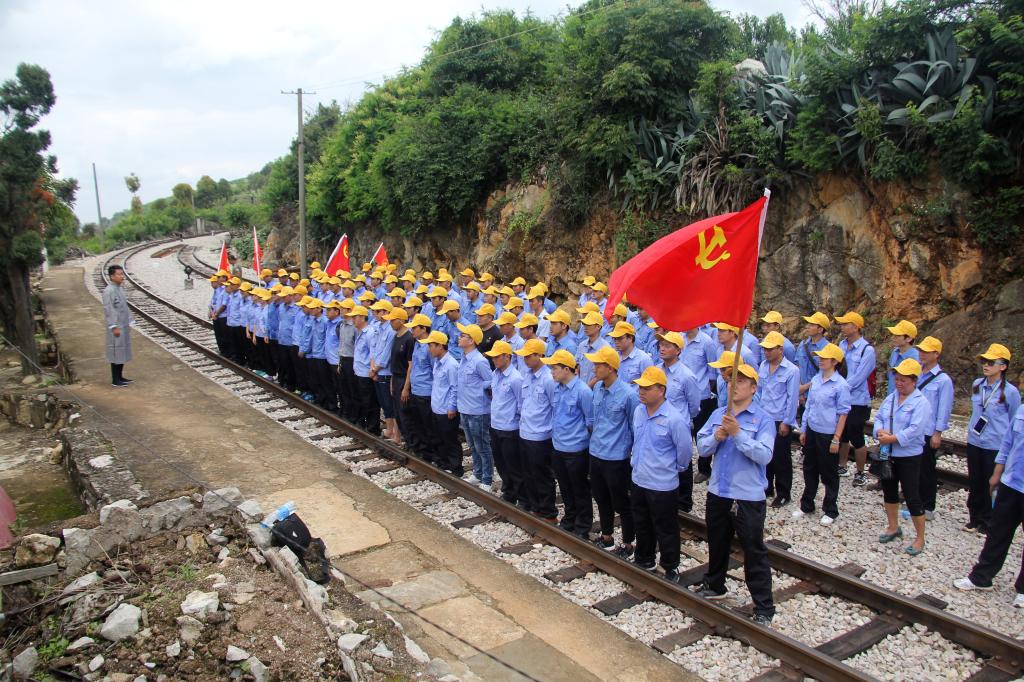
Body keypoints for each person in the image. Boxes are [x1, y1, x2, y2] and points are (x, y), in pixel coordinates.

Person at [695, 363, 776, 626]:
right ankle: (714, 584)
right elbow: (702, 448)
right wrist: (717, 436)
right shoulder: (718, 414)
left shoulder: (763, 420)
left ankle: (764, 606)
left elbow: (764, 455)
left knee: (753, 549)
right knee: (717, 541)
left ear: (753, 388)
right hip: (719, 490)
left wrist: (738, 434)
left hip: (747, 495)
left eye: (740, 381)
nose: (733, 386)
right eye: (730, 381)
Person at [954, 402, 1024, 608]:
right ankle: (981, 577)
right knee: (997, 531)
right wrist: (997, 473)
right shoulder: (1022, 410)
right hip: (1011, 483)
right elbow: (1008, 442)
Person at [630, 366, 692, 582]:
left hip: (662, 484)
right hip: (639, 479)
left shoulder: (674, 419)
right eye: (640, 387)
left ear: (661, 390)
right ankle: (644, 558)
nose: (642, 391)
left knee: (666, 528)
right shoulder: (639, 411)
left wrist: (673, 469)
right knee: (642, 522)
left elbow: (684, 452)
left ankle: (670, 565)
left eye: (647, 388)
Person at [874, 358, 932, 555]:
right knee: (889, 491)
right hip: (888, 452)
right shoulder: (891, 398)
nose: (899, 383)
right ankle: (893, 526)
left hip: (908, 455)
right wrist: (879, 431)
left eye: (903, 380)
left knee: (912, 495)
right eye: (897, 379)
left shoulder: (921, 403)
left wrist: (893, 438)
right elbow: (879, 417)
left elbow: (915, 429)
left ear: (914, 381)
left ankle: (920, 538)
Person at [587, 345, 639, 557]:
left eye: (598, 365)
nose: (594, 368)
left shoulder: (628, 395)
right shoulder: (598, 389)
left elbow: (634, 427)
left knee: (622, 502)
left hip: (616, 457)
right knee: (601, 497)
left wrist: (631, 453)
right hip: (596, 451)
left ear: (610, 368)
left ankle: (628, 543)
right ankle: (607, 536)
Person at [965, 344, 1021, 533]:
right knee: (975, 480)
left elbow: (1013, 419)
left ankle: (987, 520)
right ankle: (974, 517)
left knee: (990, 481)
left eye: (991, 362)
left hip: (994, 444)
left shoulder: (1010, 392)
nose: (986, 365)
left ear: (1003, 366)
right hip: (974, 441)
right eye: (984, 361)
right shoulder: (977, 385)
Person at [795, 343, 851, 526]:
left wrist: (836, 438)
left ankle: (830, 509)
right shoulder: (816, 379)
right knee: (809, 468)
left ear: (834, 362)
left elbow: (843, 414)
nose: (820, 360)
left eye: (824, 358)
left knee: (829, 473)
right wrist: (804, 429)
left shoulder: (841, 385)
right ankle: (807, 504)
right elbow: (809, 406)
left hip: (828, 434)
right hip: (813, 429)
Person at [544, 349, 594, 538]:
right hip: (558, 446)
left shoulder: (583, 391)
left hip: (576, 449)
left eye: (554, 368)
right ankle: (570, 518)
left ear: (567, 369)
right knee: (565, 487)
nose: (551, 372)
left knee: (580, 488)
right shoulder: (557, 388)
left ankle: (583, 525)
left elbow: (590, 422)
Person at [515, 338, 558, 521]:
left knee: (542, 474)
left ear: (539, 355)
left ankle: (548, 511)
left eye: (528, 356)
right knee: (528, 472)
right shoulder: (527, 375)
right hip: (525, 431)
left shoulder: (548, 379)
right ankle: (536, 507)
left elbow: (555, 407)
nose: (525, 360)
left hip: (541, 435)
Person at [912, 336, 954, 521]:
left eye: (926, 351)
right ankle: (914, 502)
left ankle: (928, 506)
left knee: (927, 469)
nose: (922, 354)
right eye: (921, 350)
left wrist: (938, 433)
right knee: (913, 467)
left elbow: (944, 408)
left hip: (928, 430)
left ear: (936, 354)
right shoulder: (916, 372)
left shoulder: (943, 380)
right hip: (913, 428)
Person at [757, 331, 800, 508]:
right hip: (765, 417)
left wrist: (787, 422)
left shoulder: (792, 371)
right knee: (765, 455)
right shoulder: (763, 366)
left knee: (781, 458)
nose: (766, 352)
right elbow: (759, 391)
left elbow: (792, 398)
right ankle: (767, 487)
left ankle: (783, 493)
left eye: (770, 349)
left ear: (780, 349)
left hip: (780, 419)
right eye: (765, 349)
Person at [835, 311, 876, 486]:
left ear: (856, 327)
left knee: (856, 435)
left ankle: (860, 472)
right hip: (841, 397)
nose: (842, 327)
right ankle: (842, 465)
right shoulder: (842, 345)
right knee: (842, 434)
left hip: (857, 400)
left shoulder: (867, 350)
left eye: (846, 324)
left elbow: (860, 376)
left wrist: (839, 388)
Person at [456, 323, 495, 490]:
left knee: (482, 445)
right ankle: (477, 473)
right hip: (465, 408)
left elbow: (490, 382)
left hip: (478, 409)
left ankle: (487, 478)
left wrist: (479, 390)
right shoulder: (464, 358)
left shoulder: (480, 361)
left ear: (472, 341)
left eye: (463, 336)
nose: (459, 337)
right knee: (472, 444)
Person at [487, 340, 525, 505]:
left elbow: (521, 404)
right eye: (493, 357)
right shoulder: (495, 374)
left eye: (497, 357)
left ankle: (522, 496)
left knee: (513, 465)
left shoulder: (516, 378)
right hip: (496, 425)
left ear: (507, 357)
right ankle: (509, 492)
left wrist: (514, 419)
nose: (494, 359)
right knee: (501, 463)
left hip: (510, 428)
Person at [425, 330, 463, 476]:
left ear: (440, 346)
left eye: (431, 346)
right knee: (439, 438)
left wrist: (452, 407)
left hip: (446, 409)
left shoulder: (451, 365)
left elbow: (455, 387)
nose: (429, 349)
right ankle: (443, 462)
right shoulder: (437, 362)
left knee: (450, 439)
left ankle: (456, 468)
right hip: (437, 407)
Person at [402, 314, 437, 462]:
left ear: (423, 329)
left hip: (426, 391)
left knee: (428, 425)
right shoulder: (416, 343)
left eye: (415, 328)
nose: (412, 331)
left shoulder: (430, 348)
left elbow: (435, 371)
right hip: (416, 390)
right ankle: (424, 451)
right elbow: (413, 366)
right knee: (418, 423)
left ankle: (433, 453)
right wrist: (407, 387)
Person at [350, 305, 382, 436]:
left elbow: (373, 353)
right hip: (359, 371)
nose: (353, 319)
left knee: (370, 401)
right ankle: (364, 423)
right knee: (362, 399)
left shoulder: (370, 333)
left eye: (355, 317)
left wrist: (372, 370)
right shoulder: (360, 331)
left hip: (366, 373)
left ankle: (373, 427)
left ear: (363, 317)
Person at [387, 308, 415, 446]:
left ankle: (410, 442)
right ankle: (401, 438)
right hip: (396, 377)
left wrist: (406, 387)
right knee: (397, 411)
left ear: (401, 321)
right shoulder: (396, 336)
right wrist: (392, 380)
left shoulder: (409, 339)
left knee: (405, 413)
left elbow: (410, 365)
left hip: (404, 378)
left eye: (393, 320)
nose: (391, 323)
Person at [103, 265, 134, 387]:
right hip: (116, 326)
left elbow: (124, 307)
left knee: (122, 350)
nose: (122, 276)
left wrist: (129, 321)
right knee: (116, 351)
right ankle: (115, 379)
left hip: (123, 325)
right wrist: (113, 326)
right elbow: (109, 309)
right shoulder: (109, 291)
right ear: (112, 276)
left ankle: (120, 376)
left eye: (122, 274)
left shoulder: (119, 289)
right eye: (119, 274)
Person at [609, 322, 653, 392]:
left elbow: (650, 386)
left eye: (620, 338)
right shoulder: (614, 357)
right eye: (614, 338)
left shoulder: (644, 359)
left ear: (630, 338)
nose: (616, 341)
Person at [575, 311, 610, 387]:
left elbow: (604, 373)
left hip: (596, 390)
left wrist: (587, 388)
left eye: (588, 324)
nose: (585, 327)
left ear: (598, 327)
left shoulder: (605, 348)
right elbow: (577, 366)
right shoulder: (582, 345)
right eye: (584, 324)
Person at [886, 320, 920, 396]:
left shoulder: (915, 358)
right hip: (892, 397)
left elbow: (917, 383)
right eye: (893, 335)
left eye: (897, 335)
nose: (893, 337)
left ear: (908, 339)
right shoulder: (895, 352)